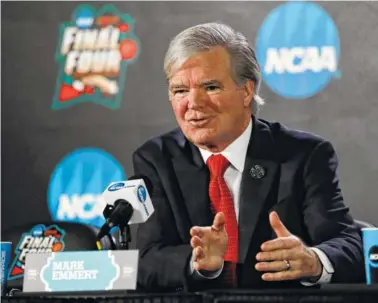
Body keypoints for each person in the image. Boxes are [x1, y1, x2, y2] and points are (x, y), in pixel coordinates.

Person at [132, 22, 365, 292]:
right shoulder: (156, 159)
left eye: (210, 87)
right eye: (180, 90)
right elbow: (146, 259)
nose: (193, 104)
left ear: (246, 91)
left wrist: (313, 261)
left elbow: (349, 244)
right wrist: (197, 263)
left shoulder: (303, 156)